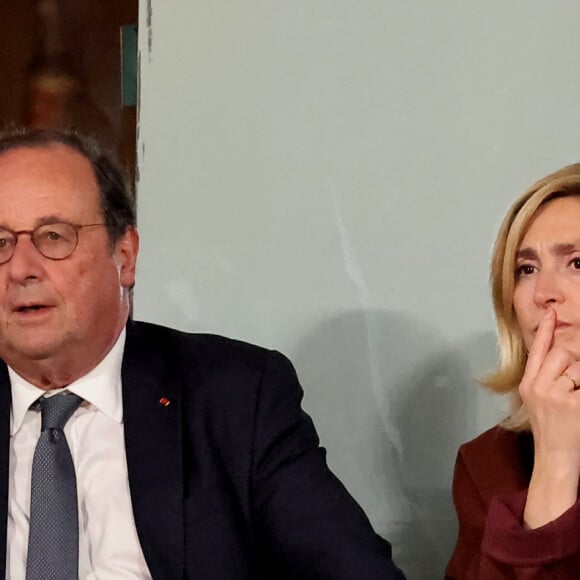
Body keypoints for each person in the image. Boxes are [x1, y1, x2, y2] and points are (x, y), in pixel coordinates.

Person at [0, 127, 405, 580]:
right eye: (0, 243)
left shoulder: (233, 399)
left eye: (53, 236)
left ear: (126, 255)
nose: (20, 268)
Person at [446, 163, 580, 578]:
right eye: (526, 269)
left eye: (578, 263)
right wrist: (556, 463)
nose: (543, 294)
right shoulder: (489, 463)